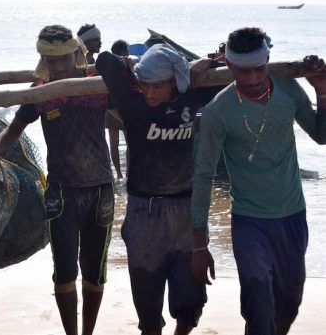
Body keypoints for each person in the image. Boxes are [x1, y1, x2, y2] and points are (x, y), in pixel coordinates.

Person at [191, 27, 326, 335]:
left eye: (259, 69)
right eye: (242, 71)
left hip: (292, 215)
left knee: (288, 305)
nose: (252, 79)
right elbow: (203, 175)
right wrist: (199, 245)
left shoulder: (289, 90)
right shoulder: (218, 112)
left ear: (269, 59)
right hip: (249, 221)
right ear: (228, 65)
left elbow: (321, 136)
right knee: (258, 300)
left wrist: (322, 91)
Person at [0, 25, 114, 335]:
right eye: (51, 60)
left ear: (78, 55)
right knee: (64, 271)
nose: (59, 67)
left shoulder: (96, 86)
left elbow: (131, 117)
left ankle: (88, 331)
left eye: (64, 59)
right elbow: (12, 131)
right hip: (61, 191)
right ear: (43, 59)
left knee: (95, 271)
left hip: (100, 189)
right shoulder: (41, 91)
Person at [95, 44, 221, 335]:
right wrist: (130, 62)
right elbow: (104, 60)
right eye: (145, 85)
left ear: (176, 80)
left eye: (159, 86)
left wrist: (208, 61)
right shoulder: (132, 102)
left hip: (186, 212)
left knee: (192, 305)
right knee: (148, 313)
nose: (150, 93)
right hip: (144, 214)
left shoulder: (192, 95)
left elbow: (236, 65)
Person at [105, 39, 131, 179]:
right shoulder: (123, 63)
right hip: (122, 108)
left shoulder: (107, 64)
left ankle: (119, 174)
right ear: (123, 51)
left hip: (109, 108)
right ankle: (128, 174)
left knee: (113, 143)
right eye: (127, 50)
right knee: (129, 143)